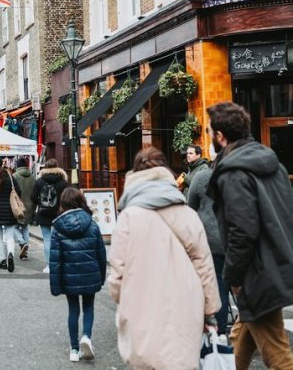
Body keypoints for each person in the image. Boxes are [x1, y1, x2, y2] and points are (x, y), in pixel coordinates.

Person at [108, 147, 220, 370]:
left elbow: (117, 275)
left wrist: (125, 297)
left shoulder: (129, 217)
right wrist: (210, 312)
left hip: (141, 306)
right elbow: (204, 266)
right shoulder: (187, 214)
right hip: (186, 305)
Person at [206, 101, 293, 369]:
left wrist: (233, 274)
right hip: (275, 262)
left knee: (276, 353)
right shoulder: (272, 164)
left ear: (220, 136)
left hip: (256, 273)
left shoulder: (233, 173)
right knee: (241, 339)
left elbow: (242, 231)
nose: (208, 136)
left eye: (209, 131)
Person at [49, 187, 107, 362]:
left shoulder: (58, 227)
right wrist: (101, 275)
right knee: (88, 306)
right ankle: (86, 337)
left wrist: (55, 285)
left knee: (73, 309)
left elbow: (55, 260)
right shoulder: (92, 223)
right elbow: (101, 254)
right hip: (90, 273)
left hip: (69, 276)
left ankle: (74, 349)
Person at [187, 153, 229, 333]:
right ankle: (248, 330)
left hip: (212, 240)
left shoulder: (202, 176)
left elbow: (190, 206)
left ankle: (219, 331)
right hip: (237, 238)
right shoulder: (238, 177)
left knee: (218, 284)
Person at [32, 159, 69, 273]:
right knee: (59, 240)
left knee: (47, 240)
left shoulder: (39, 181)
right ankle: (59, 263)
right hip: (59, 214)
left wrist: (40, 204)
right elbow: (67, 197)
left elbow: (33, 197)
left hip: (43, 213)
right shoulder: (63, 182)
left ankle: (49, 265)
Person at [12, 157, 35, 260]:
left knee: (13, 227)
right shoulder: (33, 177)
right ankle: (25, 252)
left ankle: (22, 242)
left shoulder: (14, 176)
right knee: (25, 228)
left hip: (17, 205)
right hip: (29, 206)